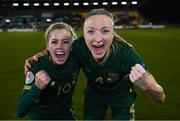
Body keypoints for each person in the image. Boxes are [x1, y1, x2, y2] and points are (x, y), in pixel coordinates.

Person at [24, 9, 165, 120]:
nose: (97, 39)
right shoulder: (79, 47)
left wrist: (148, 86)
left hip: (122, 98)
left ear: (113, 34)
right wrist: (40, 54)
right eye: (90, 31)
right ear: (84, 34)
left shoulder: (127, 55)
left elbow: (161, 97)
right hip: (94, 97)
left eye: (105, 31)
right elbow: (59, 47)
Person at [17, 22, 80, 120]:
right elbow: (20, 111)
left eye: (65, 42)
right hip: (41, 116)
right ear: (47, 45)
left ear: (72, 46)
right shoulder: (36, 66)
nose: (60, 46)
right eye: (54, 42)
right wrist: (36, 87)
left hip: (66, 115)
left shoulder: (76, 59)